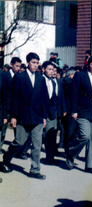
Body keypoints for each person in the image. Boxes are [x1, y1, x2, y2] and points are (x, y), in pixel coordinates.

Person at [0, 52, 49, 180]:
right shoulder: (19, 77)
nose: (36, 65)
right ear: (28, 63)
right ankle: (6, 158)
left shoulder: (41, 78)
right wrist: (14, 116)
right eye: (33, 62)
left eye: (37, 63)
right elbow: (15, 98)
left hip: (37, 117)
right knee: (19, 142)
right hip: (23, 116)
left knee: (37, 145)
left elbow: (44, 99)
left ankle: (35, 169)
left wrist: (44, 116)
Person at [65, 56, 92, 175]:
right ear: (88, 65)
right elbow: (74, 93)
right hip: (82, 111)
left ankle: (90, 165)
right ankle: (71, 152)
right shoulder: (80, 75)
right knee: (85, 135)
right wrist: (73, 111)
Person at [42, 61, 66, 164]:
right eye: (50, 69)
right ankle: (49, 157)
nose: (53, 72)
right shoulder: (42, 80)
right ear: (44, 69)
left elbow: (60, 96)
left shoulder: (56, 81)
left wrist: (63, 109)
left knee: (53, 133)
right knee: (48, 135)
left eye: (54, 70)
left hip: (55, 112)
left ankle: (50, 156)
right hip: (45, 111)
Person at [0, 57, 22, 153]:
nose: (18, 68)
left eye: (19, 66)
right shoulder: (4, 75)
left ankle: (15, 150)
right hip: (6, 107)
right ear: (11, 65)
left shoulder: (20, 76)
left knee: (17, 130)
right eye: (16, 66)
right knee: (2, 130)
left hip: (16, 108)